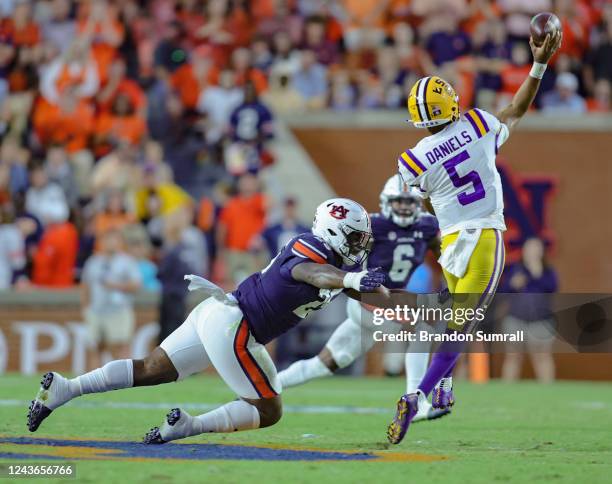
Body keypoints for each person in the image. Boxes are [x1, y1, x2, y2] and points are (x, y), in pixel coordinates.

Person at [27, 198, 396, 445]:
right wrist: (350, 279)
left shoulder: (337, 265)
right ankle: (191, 426)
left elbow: (345, 286)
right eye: (356, 237)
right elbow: (312, 274)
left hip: (219, 313)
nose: (361, 245)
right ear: (334, 231)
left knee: (152, 368)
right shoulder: (311, 247)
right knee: (269, 410)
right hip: (238, 327)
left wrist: (387, 298)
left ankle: (66, 388)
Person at [387, 29, 562, 444]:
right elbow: (517, 107)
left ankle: (445, 391)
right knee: (460, 330)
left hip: (451, 245)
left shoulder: (412, 159)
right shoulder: (480, 123)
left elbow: (417, 203)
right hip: (484, 238)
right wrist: (539, 63)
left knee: (453, 321)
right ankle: (417, 396)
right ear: (452, 103)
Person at [278, 176, 448, 422]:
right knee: (423, 327)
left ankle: (267, 386)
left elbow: (442, 252)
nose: (404, 207)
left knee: (322, 365)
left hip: (387, 303)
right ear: (386, 202)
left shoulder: (427, 226)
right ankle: (416, 401)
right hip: (368, 299)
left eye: (409, 202)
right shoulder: (373, 226)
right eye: (398, 202)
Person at [81, 228, 141, 369]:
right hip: (96, 310)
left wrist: (115, 285)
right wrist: (85, 308)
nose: (111, 243)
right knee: (95, 347)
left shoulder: (127, 262)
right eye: (107, 239)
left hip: (119, 310)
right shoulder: (93, 262)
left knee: (120, 345)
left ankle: (124, 380)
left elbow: (136, 285)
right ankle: (93, 383)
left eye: (114, 239)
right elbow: (85, 286)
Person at [501, 237, 558, 383]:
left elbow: (552, 288)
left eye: (536, 248)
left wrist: (536, 272)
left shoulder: (548, 271)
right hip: (516, 319)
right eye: (530, 248)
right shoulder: (515, 269)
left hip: (541, 321)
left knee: (542, 355)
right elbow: (503, 291)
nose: (533, 252)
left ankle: (547, 390)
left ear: (542, 252)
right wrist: (513, 284)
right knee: (513, 355)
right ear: (524, 251)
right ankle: (506, 391)